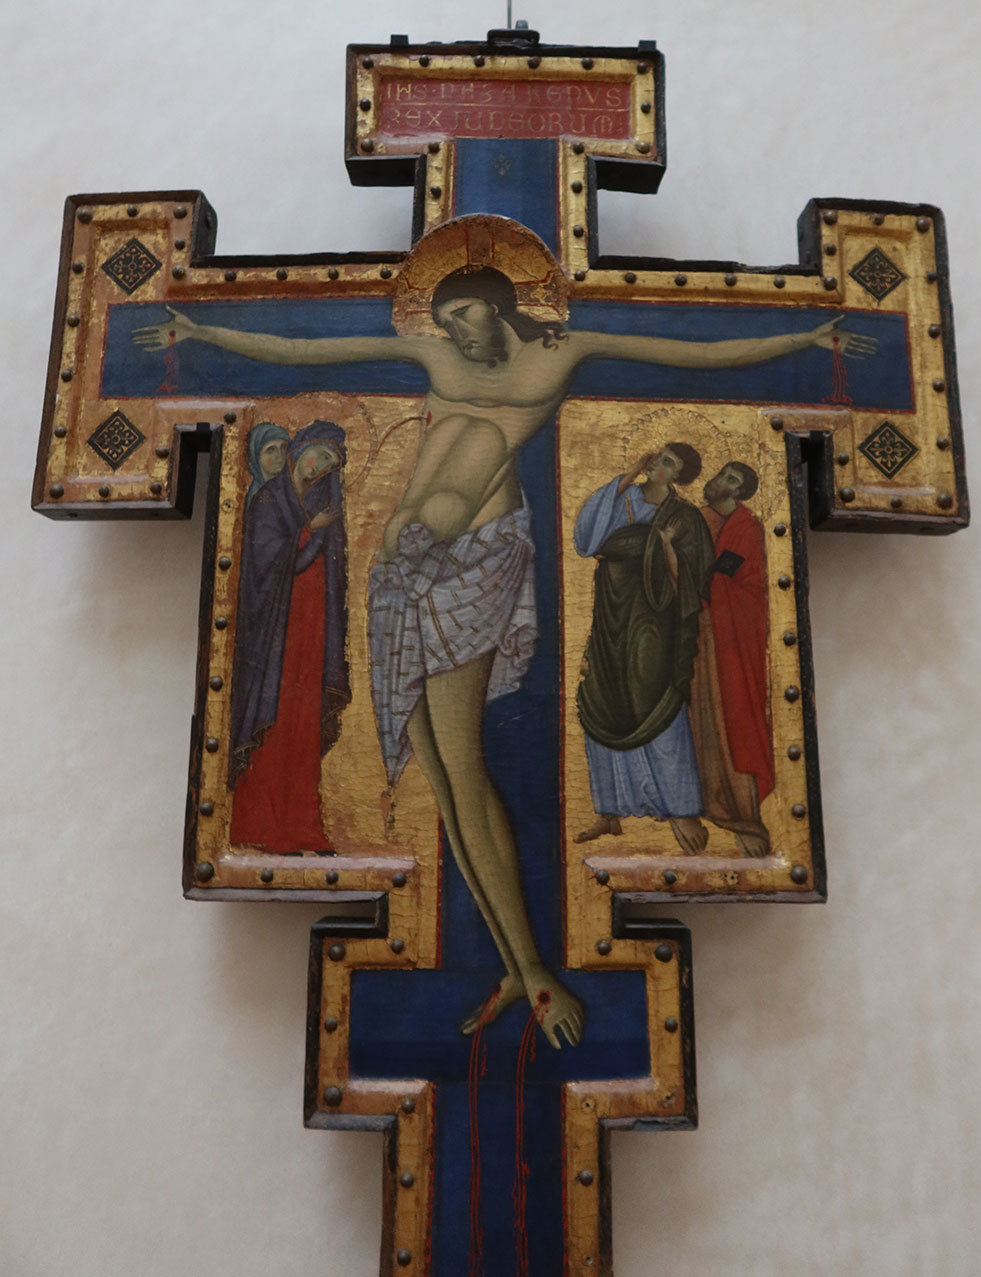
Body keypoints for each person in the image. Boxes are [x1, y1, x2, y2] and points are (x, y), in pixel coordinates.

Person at [134, 266, 874, 1048]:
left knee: (464, 765)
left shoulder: (557, 355)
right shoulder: (436, 355)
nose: (456, 330)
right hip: (401, 575)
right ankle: (515, 965)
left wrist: (804, 336)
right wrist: (205, 332)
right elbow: (307, 350)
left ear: (499, 307)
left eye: (467, 313)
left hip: (473, 560)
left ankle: (536, 967)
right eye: (447, 318)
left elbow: (688, 351)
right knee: (443, 780)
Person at [573, 444, 714, 853]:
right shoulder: (621, 498)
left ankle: (682, 809)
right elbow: (586, 541)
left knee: (654, 699)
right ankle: (609, 810)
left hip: (655, 620)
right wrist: (631, 471)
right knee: (605, 696)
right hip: (611, 614)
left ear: (679, 477)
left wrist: (665, 544)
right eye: (658, 456)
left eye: (668, 463)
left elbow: (696, 578)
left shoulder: (683, 517)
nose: (657, 464)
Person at [229, 421, 350, 853]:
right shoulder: (268, 500)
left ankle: (301, 826)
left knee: (302, 722)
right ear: (302, 449)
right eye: (319, 455)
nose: (320, 466)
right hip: (273, 635)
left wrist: (318, 529)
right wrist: (312, 530)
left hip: (309, 629)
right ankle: (260, 826)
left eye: (330, 463)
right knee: (275, 720)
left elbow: (329, 570)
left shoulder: (320, 502)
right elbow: (272, 563)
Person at [688, 461, 773, 857]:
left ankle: (742, 815)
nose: (721, 482)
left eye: (732, 480)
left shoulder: (745, 528)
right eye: (723, 474)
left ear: (740, 492)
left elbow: (726, 575)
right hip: (698, 631)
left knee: (731, 718)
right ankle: (703, 803)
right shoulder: (697, 518)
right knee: (700, 718)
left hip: (729, 636)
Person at [243, 422, 290, 512]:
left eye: (284, 448)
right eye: (271, 450)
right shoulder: (258, 497)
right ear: (256, 456)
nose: (280, 456)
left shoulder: (289, 491)